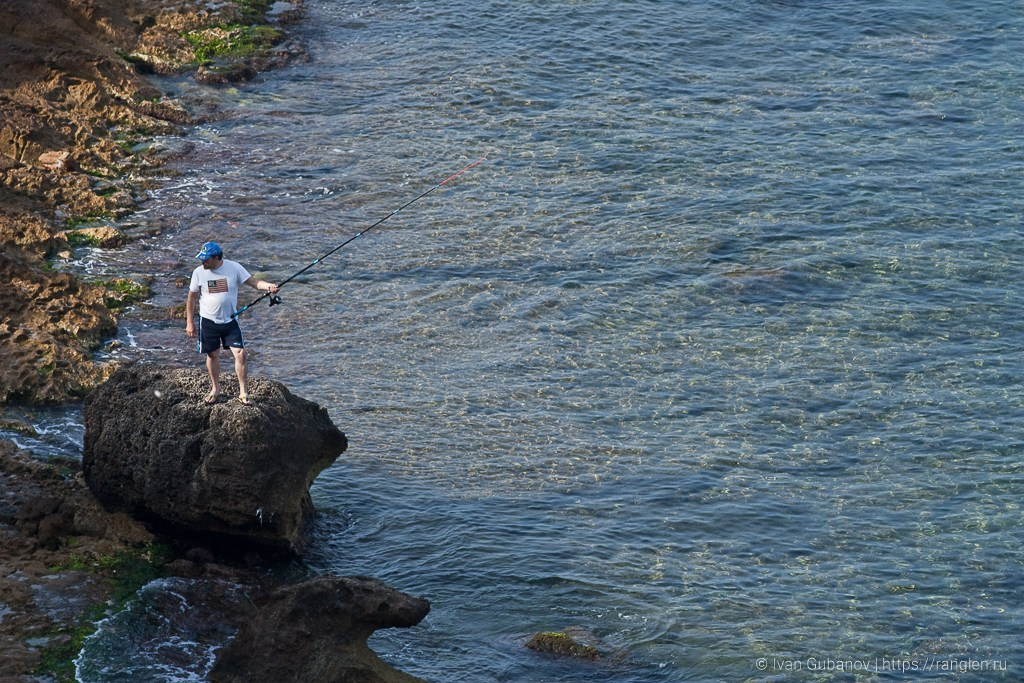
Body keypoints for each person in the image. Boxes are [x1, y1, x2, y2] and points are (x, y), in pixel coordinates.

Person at [185, 241, 279, 406]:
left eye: (206, 259)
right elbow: (191, 299)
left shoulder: (234, 268)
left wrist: (269, 286)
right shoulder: (198, 273)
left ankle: (243, 393)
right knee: (212, 354)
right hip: (208, 321)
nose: (203, 262)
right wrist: (189, 323)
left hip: (230, 320)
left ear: (216, 258)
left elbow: (254, 282)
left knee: (241, 354)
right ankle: (215, 389)